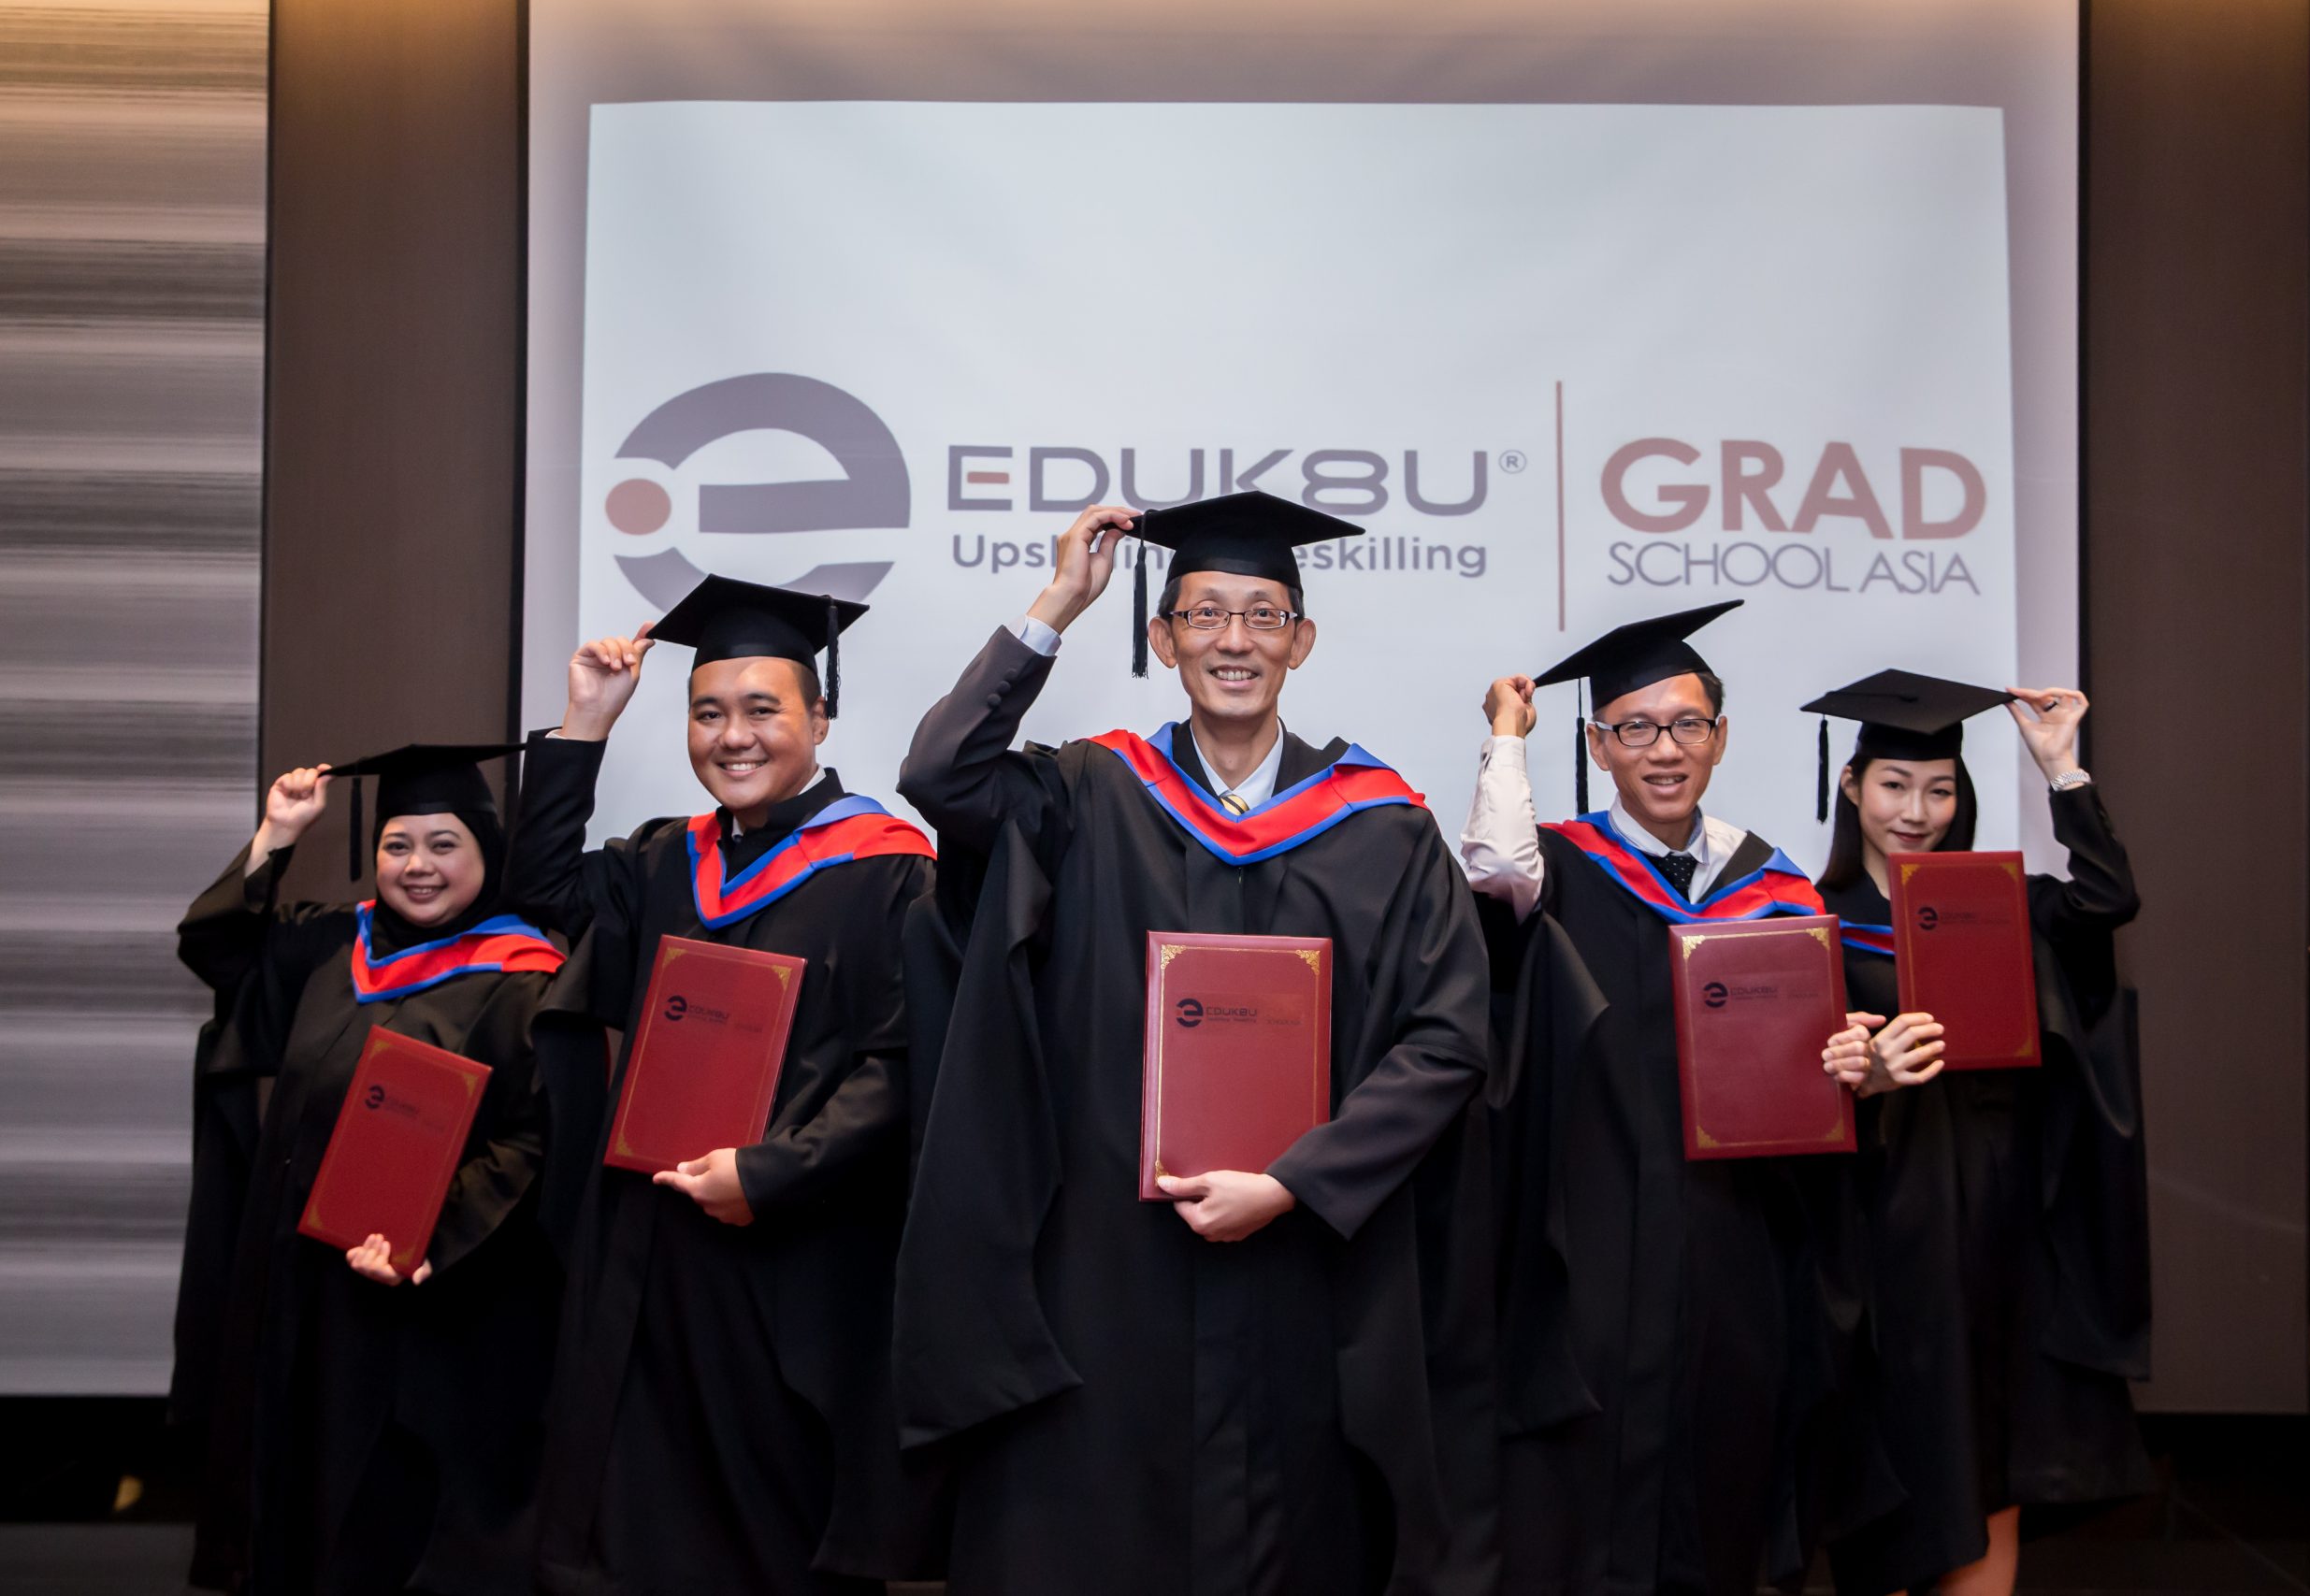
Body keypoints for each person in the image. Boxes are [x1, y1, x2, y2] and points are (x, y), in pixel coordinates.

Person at [893, 492, 1497, 1595]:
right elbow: (940, 775)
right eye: (1205, 614)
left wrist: (1296, 1181)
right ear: (1163, 639)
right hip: (1108, 1261)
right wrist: (1056, 604)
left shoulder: (1383, 827)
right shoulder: (1089, 792)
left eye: (1263, 616)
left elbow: (1448, 1038)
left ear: (1300, 642)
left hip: (1303, 1258)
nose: (1234, 640)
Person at [504, 576, 937, 1596]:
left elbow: (902, 1065)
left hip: (793, 1261)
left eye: (761, 710)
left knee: (770, 1533)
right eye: (707, 713)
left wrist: (773, 1172)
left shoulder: (888, 874)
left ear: (819, 719)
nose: (732, 737)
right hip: (652, 1253)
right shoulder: (665, 860)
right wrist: (584, 723)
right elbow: (539, 891)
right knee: (638, 1529)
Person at [1462, 601, 1877, 1595]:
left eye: (1688, 724)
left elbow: (1810, 1055)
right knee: (1587, 1473)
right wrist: (1506, 738)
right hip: (1596, 1223)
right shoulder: (1560, 868)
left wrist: (1851, 1057)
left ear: (1721, 738)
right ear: (1598, 745)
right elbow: (1493, 870)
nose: (1665, 748)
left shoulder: (1771, 887)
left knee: (1724, 1451)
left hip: (1733, 1228)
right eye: (1636, 728)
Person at [176, 743, 565, 1595]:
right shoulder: (332, 944)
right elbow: (217, 949)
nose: (418, 866)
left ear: (487, 853)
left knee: (392, 1513)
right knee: (299, 1489)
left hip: (426, 1296)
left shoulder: (522, 979)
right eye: (398, 845)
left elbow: (534, 1138)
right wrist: (276, 834)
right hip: (302, 1281)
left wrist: (433, 1230)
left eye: (444, 844)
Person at [1803, 670, 2150, 1596]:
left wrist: (2061, 768)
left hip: (2000, 1228)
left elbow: (2107, 899)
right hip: (1883, 1229)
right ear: (1852, 786)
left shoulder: (1999, 902)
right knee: (1892, 1458)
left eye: (1940, 789)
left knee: (1996, 1449)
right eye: (1894, 785)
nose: (1916, 812)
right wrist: (1861, 1076)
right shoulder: (1807, 918)